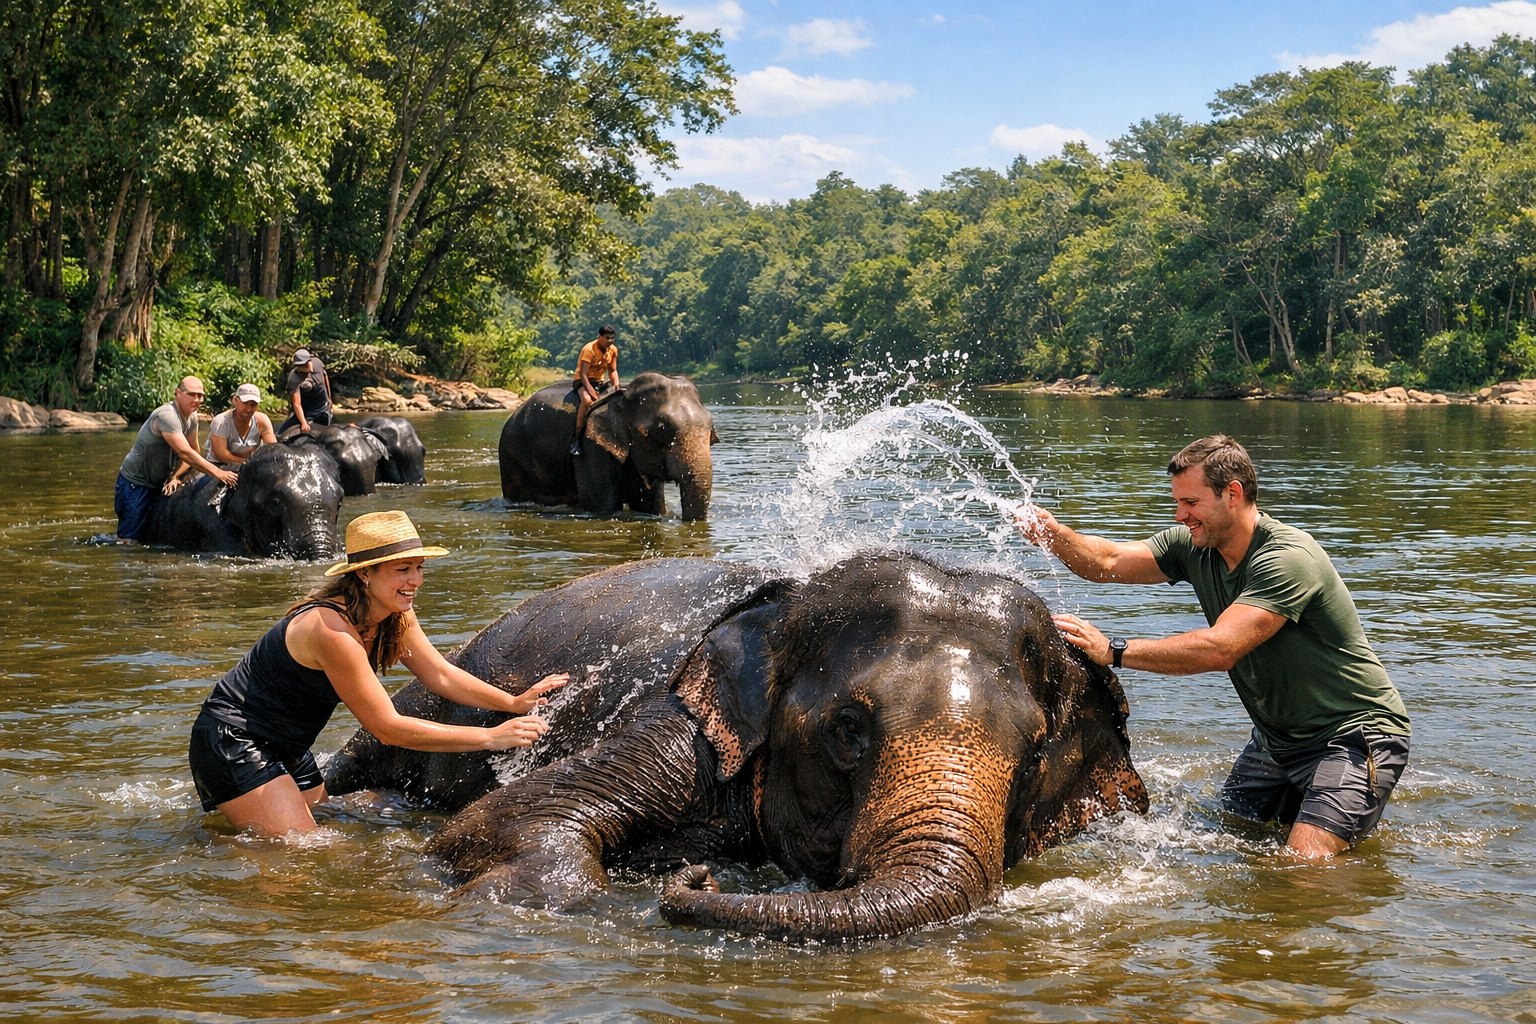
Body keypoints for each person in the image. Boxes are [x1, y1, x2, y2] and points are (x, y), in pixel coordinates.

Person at [1018, 434, 1411, 859]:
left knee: (1303, 868)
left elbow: (1220, 648)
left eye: (1191, 502)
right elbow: (1110, 562)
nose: (1180, 515)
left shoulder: (1287, 559)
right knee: (1227, 843)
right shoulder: (1194, 547)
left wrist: (1113, 650)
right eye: (1178, 503)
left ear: (1233, 494)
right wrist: (1054, 535)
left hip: (1353, 737)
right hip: (1276, 744)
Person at [188, 510, 569, 836]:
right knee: (304, 852)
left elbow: (439, 674)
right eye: (403, 570)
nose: (416, 581)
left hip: (288, 746)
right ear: (365, 574)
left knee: (326, 822)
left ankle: (232, 822)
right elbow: (385, 726)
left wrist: (513, 702)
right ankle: (210, 850)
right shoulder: (331, 630)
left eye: (419, 568)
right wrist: (490, 737)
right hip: (235, 740)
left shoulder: (395, 612)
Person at [115, 377, 241, 543]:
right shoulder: (167, 415)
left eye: (200, 395)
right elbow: (184, 452)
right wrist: (218, 472)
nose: (197, 400)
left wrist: (176, 476)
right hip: (136, 484)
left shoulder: (192, 417)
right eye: (192, 394)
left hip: (159, 483)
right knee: (128, 541)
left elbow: (193, 452)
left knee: (151, 538)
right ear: (178, 393)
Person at [570, 325, 620, 456]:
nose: (610, 341)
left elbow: (613, 370)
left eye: (612, 338)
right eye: (607, 338)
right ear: (599, 337)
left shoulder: (613, 350)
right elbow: (583, 375)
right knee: (587, 400)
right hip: (583, 380)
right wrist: (591, 392)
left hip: (600, 381)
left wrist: (617, 387)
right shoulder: (589, 350)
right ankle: (577, 440)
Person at [205, 383, 277, 468]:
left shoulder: (262, 420)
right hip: (220, 464)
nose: (249, 409)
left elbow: (273, 448)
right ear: (235, 400)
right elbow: (220, 454)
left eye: (253, 405)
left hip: (251, 464)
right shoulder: (221, 422)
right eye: (245, 403)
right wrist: (246, 463)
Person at [279, 348, 332, 434]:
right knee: (280, 432)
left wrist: (329, 398)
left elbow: (325, 376)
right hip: (306, 411)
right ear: (298, 367)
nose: (309, 366)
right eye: (305, 365)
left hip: (323, 408)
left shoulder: (318, 363)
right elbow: (296, 404)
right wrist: (303, 422)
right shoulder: (294, 379)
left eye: (309, 362)